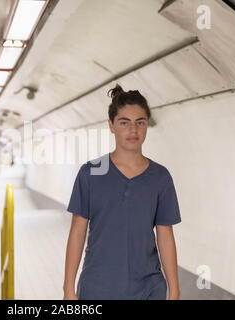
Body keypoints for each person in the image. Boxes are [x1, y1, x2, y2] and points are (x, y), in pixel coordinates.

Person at [63, 84, 182, 300]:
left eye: (140, 122)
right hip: (98, 288)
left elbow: (165, 235)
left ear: (147, 125)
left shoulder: (160, 177)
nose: (133, 130)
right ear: (111, 125)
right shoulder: (90, 173)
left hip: (149, 288)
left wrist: (174, 290)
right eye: (124, 123)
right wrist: (68, 289)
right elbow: (78, 232)